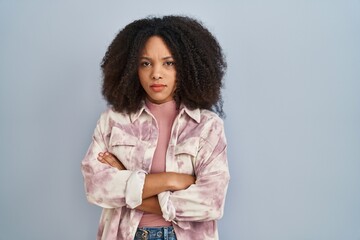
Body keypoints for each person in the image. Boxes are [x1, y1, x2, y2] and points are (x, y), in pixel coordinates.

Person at [81, 15, 230, 240]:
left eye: (168, 63)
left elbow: (210, 202)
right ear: (131, 68)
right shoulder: (113, 121)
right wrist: (171, 180)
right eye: (146, 63)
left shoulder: (207, 127)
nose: (156, 74)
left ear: (187, 67)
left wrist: (125, 179)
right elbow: (96, 187)